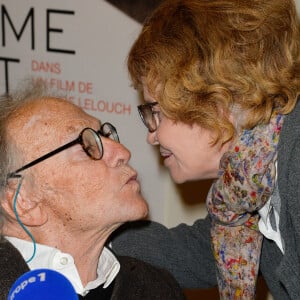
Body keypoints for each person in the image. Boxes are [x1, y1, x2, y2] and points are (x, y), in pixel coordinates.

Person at [111, 0, 300, 299]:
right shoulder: (248, 186)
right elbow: (200, 250)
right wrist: (88, 232)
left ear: (216, 100)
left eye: (155, 113)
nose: (152, 136)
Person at [0, 83, 185, 300]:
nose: (123, 152)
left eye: (105, 136)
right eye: (87, 147)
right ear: (23, 201)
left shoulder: (156, 288)